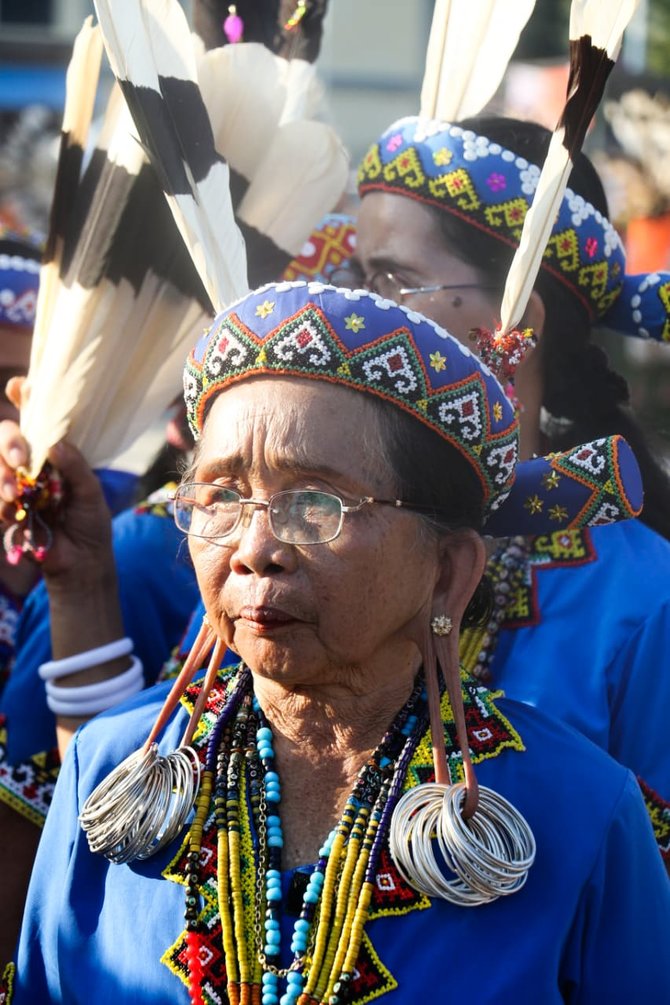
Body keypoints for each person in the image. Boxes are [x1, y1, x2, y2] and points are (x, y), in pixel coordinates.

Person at [4, 283, 668, 1003]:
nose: (255, 548)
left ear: (447, 572)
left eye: (315, 502)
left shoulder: (577, 812)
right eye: (221, 497)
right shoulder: (108, 770)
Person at [353, 114, 670, 862]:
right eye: (355, 279)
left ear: (513, 322)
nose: (359, 314)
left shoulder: (642, 599)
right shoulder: (326, 536)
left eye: (392, 281)